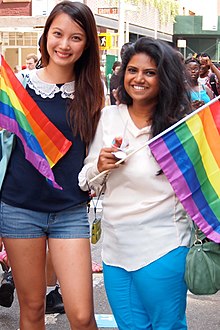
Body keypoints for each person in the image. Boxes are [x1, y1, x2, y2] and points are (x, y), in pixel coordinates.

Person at [0, 1, 103, 329]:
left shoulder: (93, 92)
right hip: (18, 210)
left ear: (86, 44)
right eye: (57, 34)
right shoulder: (17, 86)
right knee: (31, 309)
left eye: (76, 37)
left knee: (83, 315)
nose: (64, 44)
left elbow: (95, 153)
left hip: (70, 211)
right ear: (45, 38)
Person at [79, 37, 193, 330]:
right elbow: (85, 179)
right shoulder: (108, 117)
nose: (138, 78)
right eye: (132, 70)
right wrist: (101, 166)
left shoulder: (180, 128)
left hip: (163, 247)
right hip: (115, 251)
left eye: (150, 72)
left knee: (167, 326)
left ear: (164, 78)